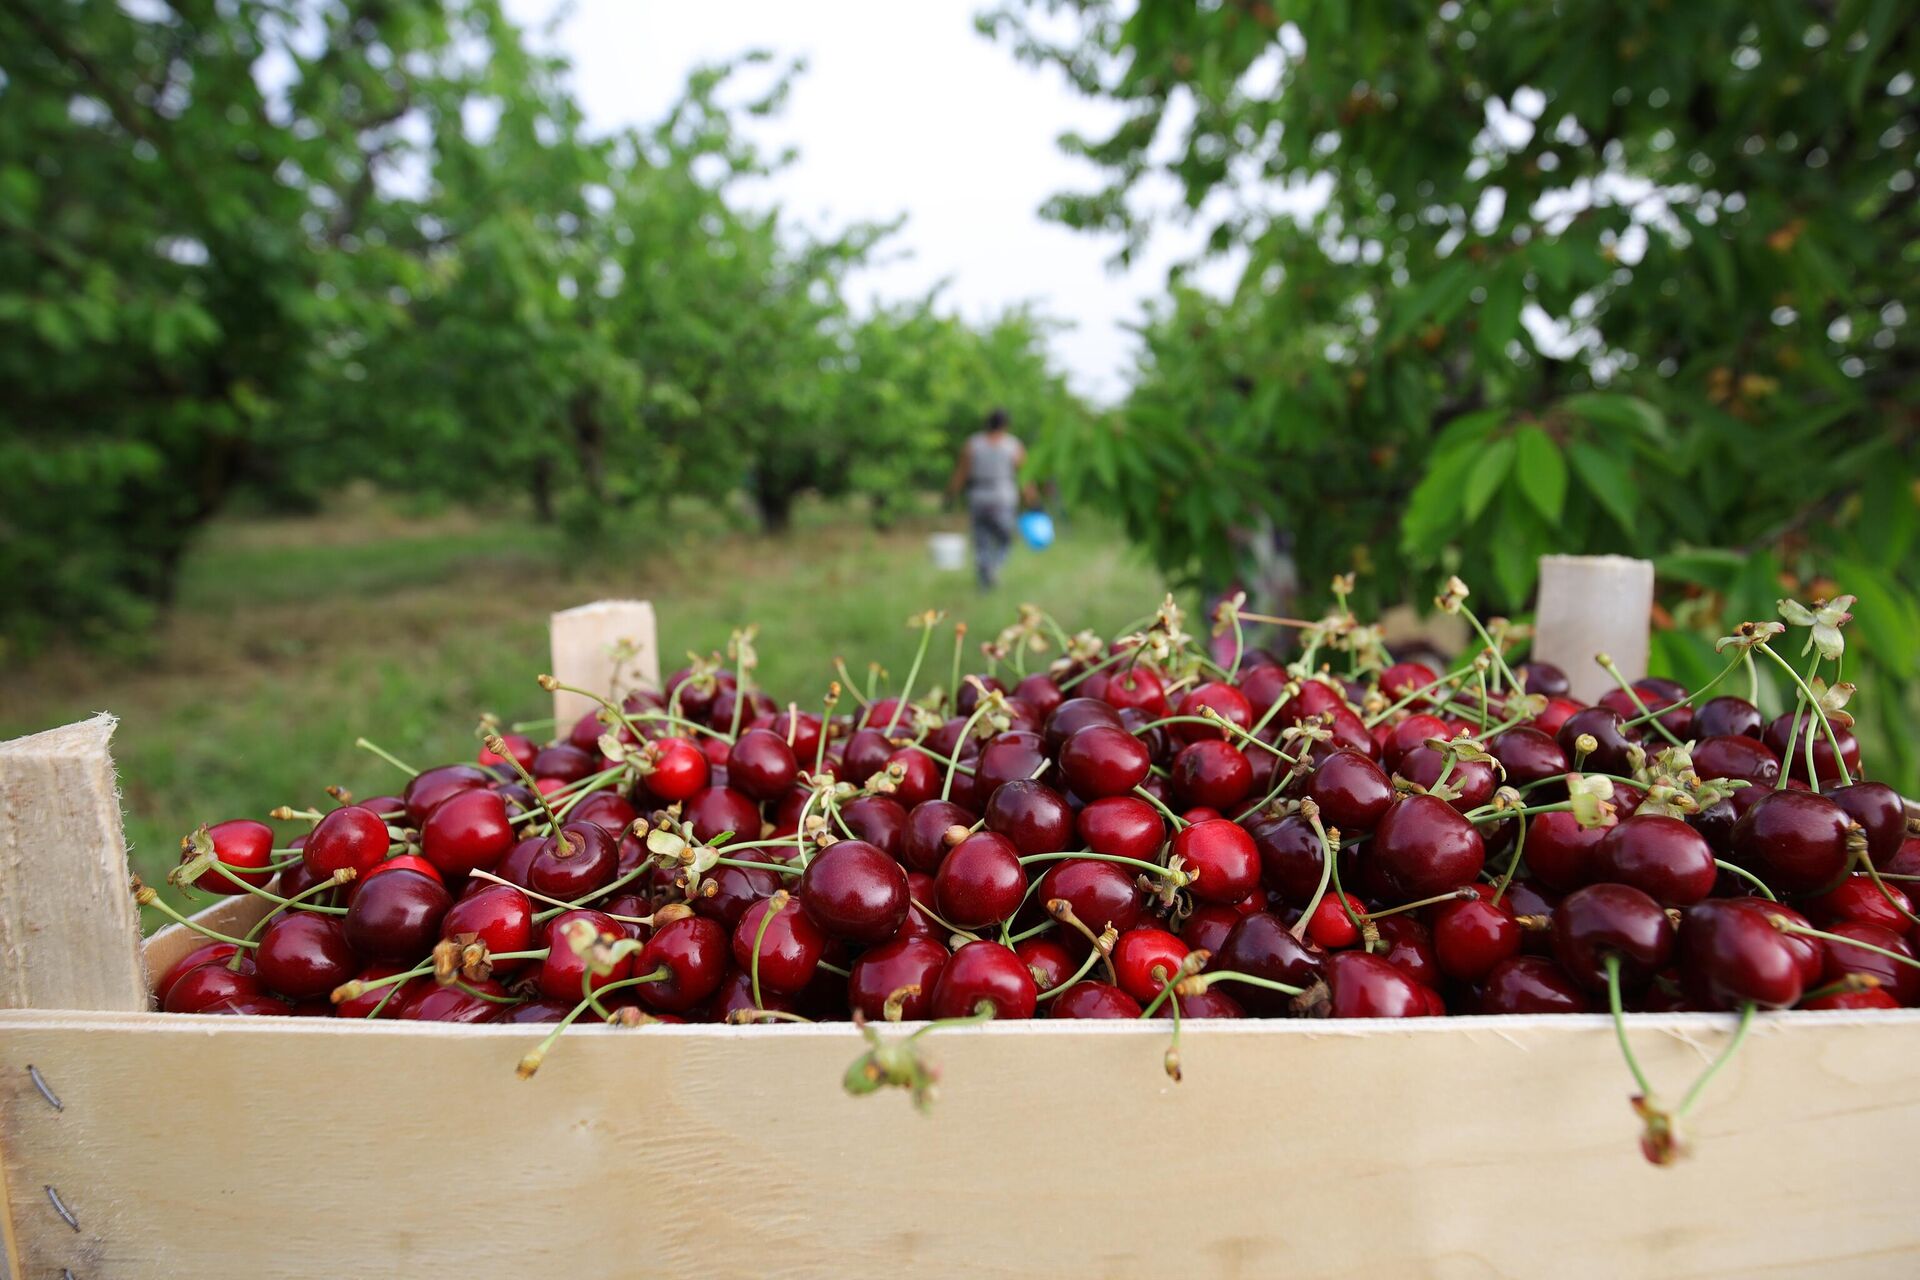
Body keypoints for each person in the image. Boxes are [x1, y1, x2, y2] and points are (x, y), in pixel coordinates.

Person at [947, 408, 1037, 589]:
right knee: (1006, 538)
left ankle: (985, 576)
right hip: (1003, 497)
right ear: (1005, 425)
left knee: (982, 541)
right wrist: (1032, 498)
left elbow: (961, 472)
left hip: (978, 497)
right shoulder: (1012, 445)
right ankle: (993, 567)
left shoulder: (973, 443)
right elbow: (1024, 475)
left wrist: (951, 493)